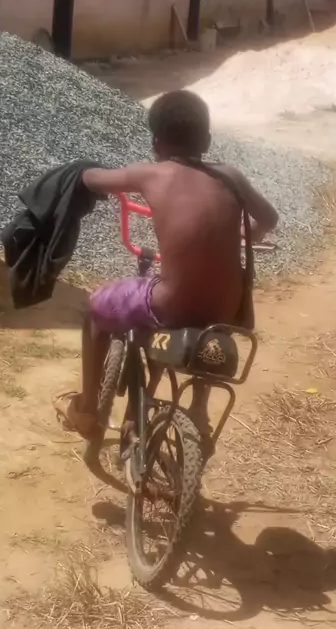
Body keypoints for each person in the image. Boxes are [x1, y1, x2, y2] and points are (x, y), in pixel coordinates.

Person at [55, 90, 278, 441]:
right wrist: (242, 234)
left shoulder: (151, 174)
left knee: (97, 307)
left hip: (172, 306)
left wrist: (78, 172)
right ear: (207, 140)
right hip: (226, 311)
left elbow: (92, 179)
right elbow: (269, 218)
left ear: (156, 142)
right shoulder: (231, 176)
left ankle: (87, 410)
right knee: (209, 323)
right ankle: (199, 406)